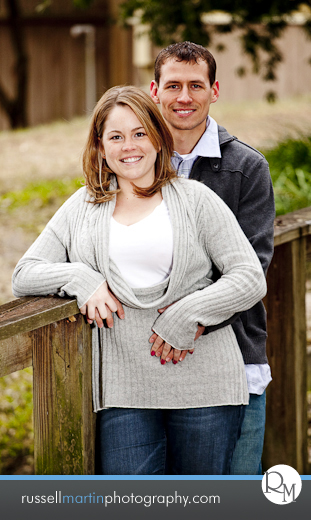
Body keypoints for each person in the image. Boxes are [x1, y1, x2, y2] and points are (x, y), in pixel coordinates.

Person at [12, 85, 266, 475]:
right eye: (115, 136)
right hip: (124, 391)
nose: (128, 146)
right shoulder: (83, 206)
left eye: (139, 133)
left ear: (158, 138)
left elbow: (249, 276)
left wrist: (188, 313)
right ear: (100, 146)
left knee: (202, 506)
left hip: (206, 386)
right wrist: (81, 278)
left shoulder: (195, 199)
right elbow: (24, 274)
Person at [149, 41, 275, 475]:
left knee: (232, 495)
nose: (184, 97)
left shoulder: (246, 167)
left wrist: (191, 316)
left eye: (196, 86)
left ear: (214, 90)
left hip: (234, 354)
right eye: (174, 85)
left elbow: (253, 266)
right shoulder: (130, 161)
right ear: (154, 90)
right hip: (149, 361)